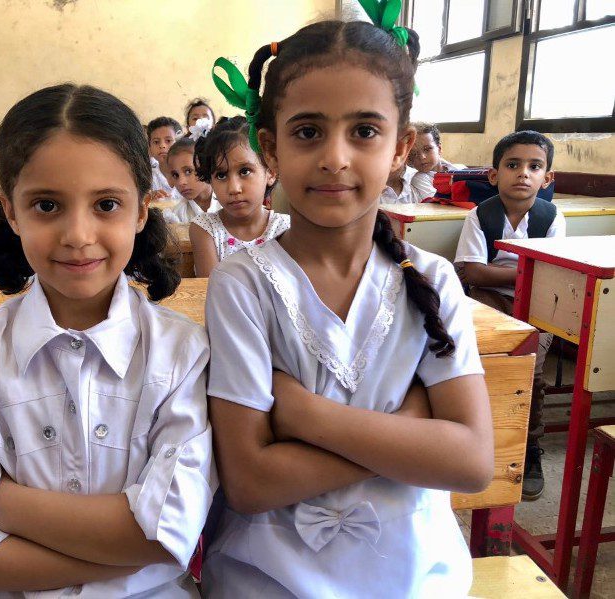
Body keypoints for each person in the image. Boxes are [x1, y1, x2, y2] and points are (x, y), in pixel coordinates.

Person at [202, 15, 493, 598]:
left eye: (364, 131)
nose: (335, 157)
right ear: (271, 147)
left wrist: (308, 418)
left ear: (401, 147)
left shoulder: (432, 279)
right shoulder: (243, 284)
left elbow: (471, 461)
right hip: (270, 580)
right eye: (308, 131)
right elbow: (250, 482)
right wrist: (410, 432)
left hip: (417, 578)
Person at [0, 84, 216, 597]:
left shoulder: (182, 354)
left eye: (106, 204)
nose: (78, 235)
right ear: (11, 212)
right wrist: (120, 550)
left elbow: (163, 538)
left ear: (142, 210)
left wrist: (0, 501)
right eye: (47, 205)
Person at [455, 130, 563, 500]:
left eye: (534, 167)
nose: (523, 173)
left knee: (530, 369)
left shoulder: (552, 217)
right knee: (482, 363)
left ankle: (529, 447)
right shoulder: (480, 215)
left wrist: (511, 274)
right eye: (513, 165)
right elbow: (473, 273)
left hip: (536, 305)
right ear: (493, 174)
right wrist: (527, 270)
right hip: (487, 300)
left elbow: (551, 276)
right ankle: (481, 439)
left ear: (547, 178)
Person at [189, 116, 288, 278]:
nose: (234, 188)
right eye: (221, 175)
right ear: (210, 181)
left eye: (245, 171)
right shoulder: (206, 229)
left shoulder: (284, 229)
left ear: (270, 172)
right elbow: (212, 289)